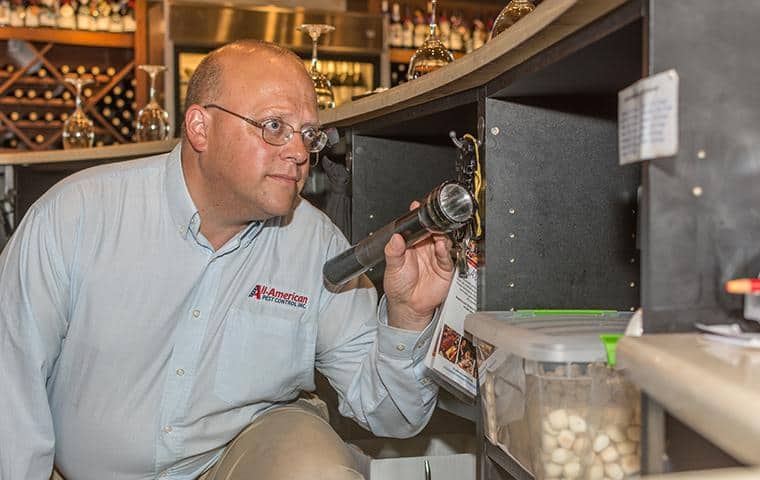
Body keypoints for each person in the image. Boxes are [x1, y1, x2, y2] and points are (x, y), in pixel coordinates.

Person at [0, 40, 455, 480]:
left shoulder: (316, 244)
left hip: (227, 464)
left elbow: (393, 416)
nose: (299, 153)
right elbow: (12, 393)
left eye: (309, 134)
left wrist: (409, 317)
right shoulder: (76, 217)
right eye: (274, 126)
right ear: (200, 128)